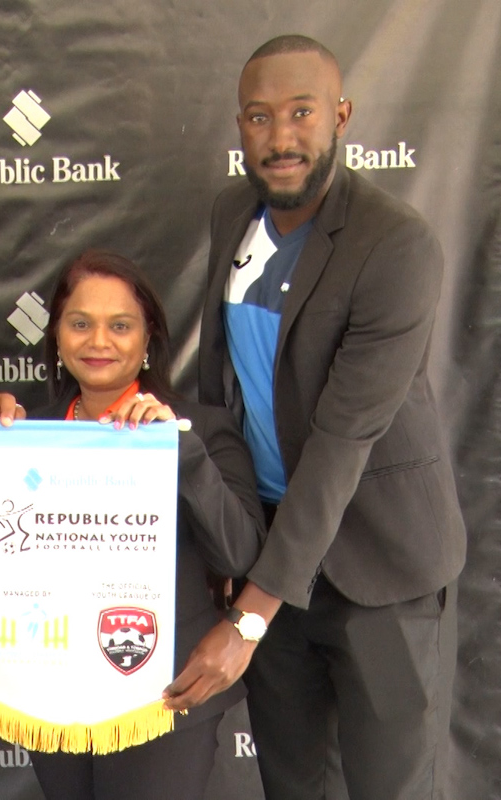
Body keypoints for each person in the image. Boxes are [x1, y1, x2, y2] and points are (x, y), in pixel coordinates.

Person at [194, 35, 466, 800]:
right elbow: (223, 396)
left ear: (341, 115)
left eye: (301, 112)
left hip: (381, 568)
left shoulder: (395, 245)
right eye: (258, 117)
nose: (279, 138)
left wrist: (248, 619)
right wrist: (230, 552)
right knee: (292, 783)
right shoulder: (230, 216)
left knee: (392, 787)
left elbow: (341, 444)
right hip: (274, 555)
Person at [0, 249, 265, 800]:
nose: (98, 341)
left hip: (163, 696)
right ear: (56, 336)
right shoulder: (22, 433)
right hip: (49, 687)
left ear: (148, 336)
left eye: (120, 326)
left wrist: (183, 452)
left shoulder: (205, 431)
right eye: (80, 323)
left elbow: (240, 556)